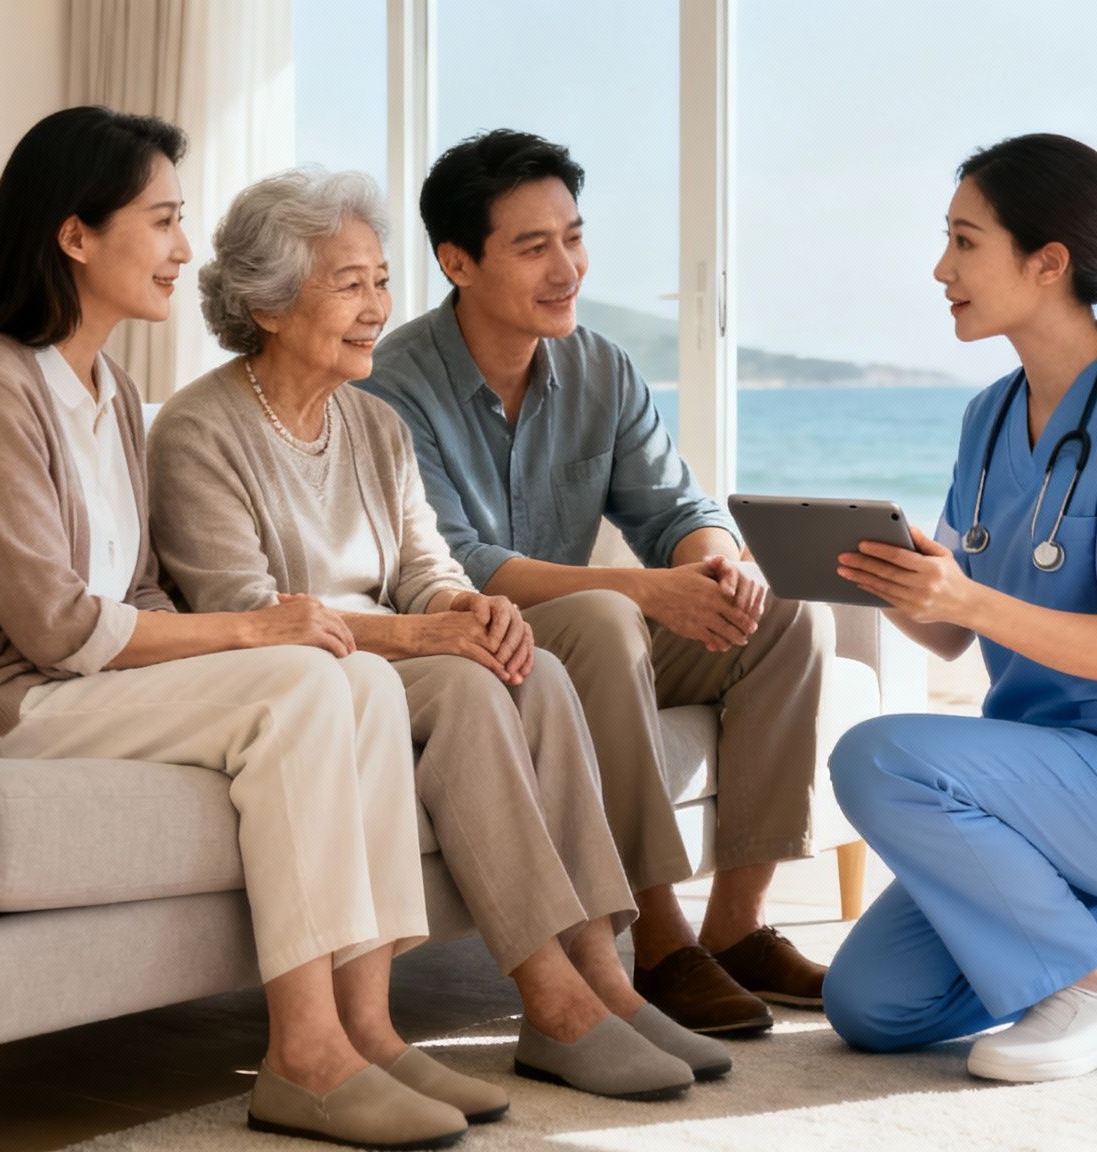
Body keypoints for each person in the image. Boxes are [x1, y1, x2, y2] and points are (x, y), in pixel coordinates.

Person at [0, 107, 471, 1149]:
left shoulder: (109, 388)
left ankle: (363, 1026)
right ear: (75, 236)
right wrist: (252, 631)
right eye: (163, 220)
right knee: (299, 676)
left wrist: (268, 634)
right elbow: (52, 626)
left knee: (357, 679)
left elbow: (134, 593)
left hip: (77, 689)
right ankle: (303, 1054)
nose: (184, 249)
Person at [150, 167, 734, 1100]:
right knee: (469, 684)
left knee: (531, 667)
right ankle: (551, 1002)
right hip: (310, 672)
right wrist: (429, 642)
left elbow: (426, 569)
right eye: (350, 284)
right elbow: (254, 617)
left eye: (382, 281)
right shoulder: (198, 433)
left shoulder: (375, 424)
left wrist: (474, 609)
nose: (377, 306)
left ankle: (607, 980)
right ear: (267, 302)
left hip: (393, 652)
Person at [358, 131, 837, 1036]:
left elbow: (674, 505)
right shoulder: (393, 387)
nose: (566, 266)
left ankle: (735, 929)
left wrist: (711, 562)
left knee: (783, 619)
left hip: (584, 630)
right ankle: (657, 941)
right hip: (467, 644)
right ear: (456, 261)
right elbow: (457, 562)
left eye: (573, 237)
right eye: (532, 247)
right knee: (614, 619)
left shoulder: (601, 368)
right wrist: (647, 593)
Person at [820, 133, 1097, 1083]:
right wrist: (888, 578)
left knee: (875, 753)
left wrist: (964, 592)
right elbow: (950, 632)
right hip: (1037, 788)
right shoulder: (989, 416)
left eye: (965, 242)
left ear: (1047, 262)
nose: (941, 268)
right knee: (874, 1007)